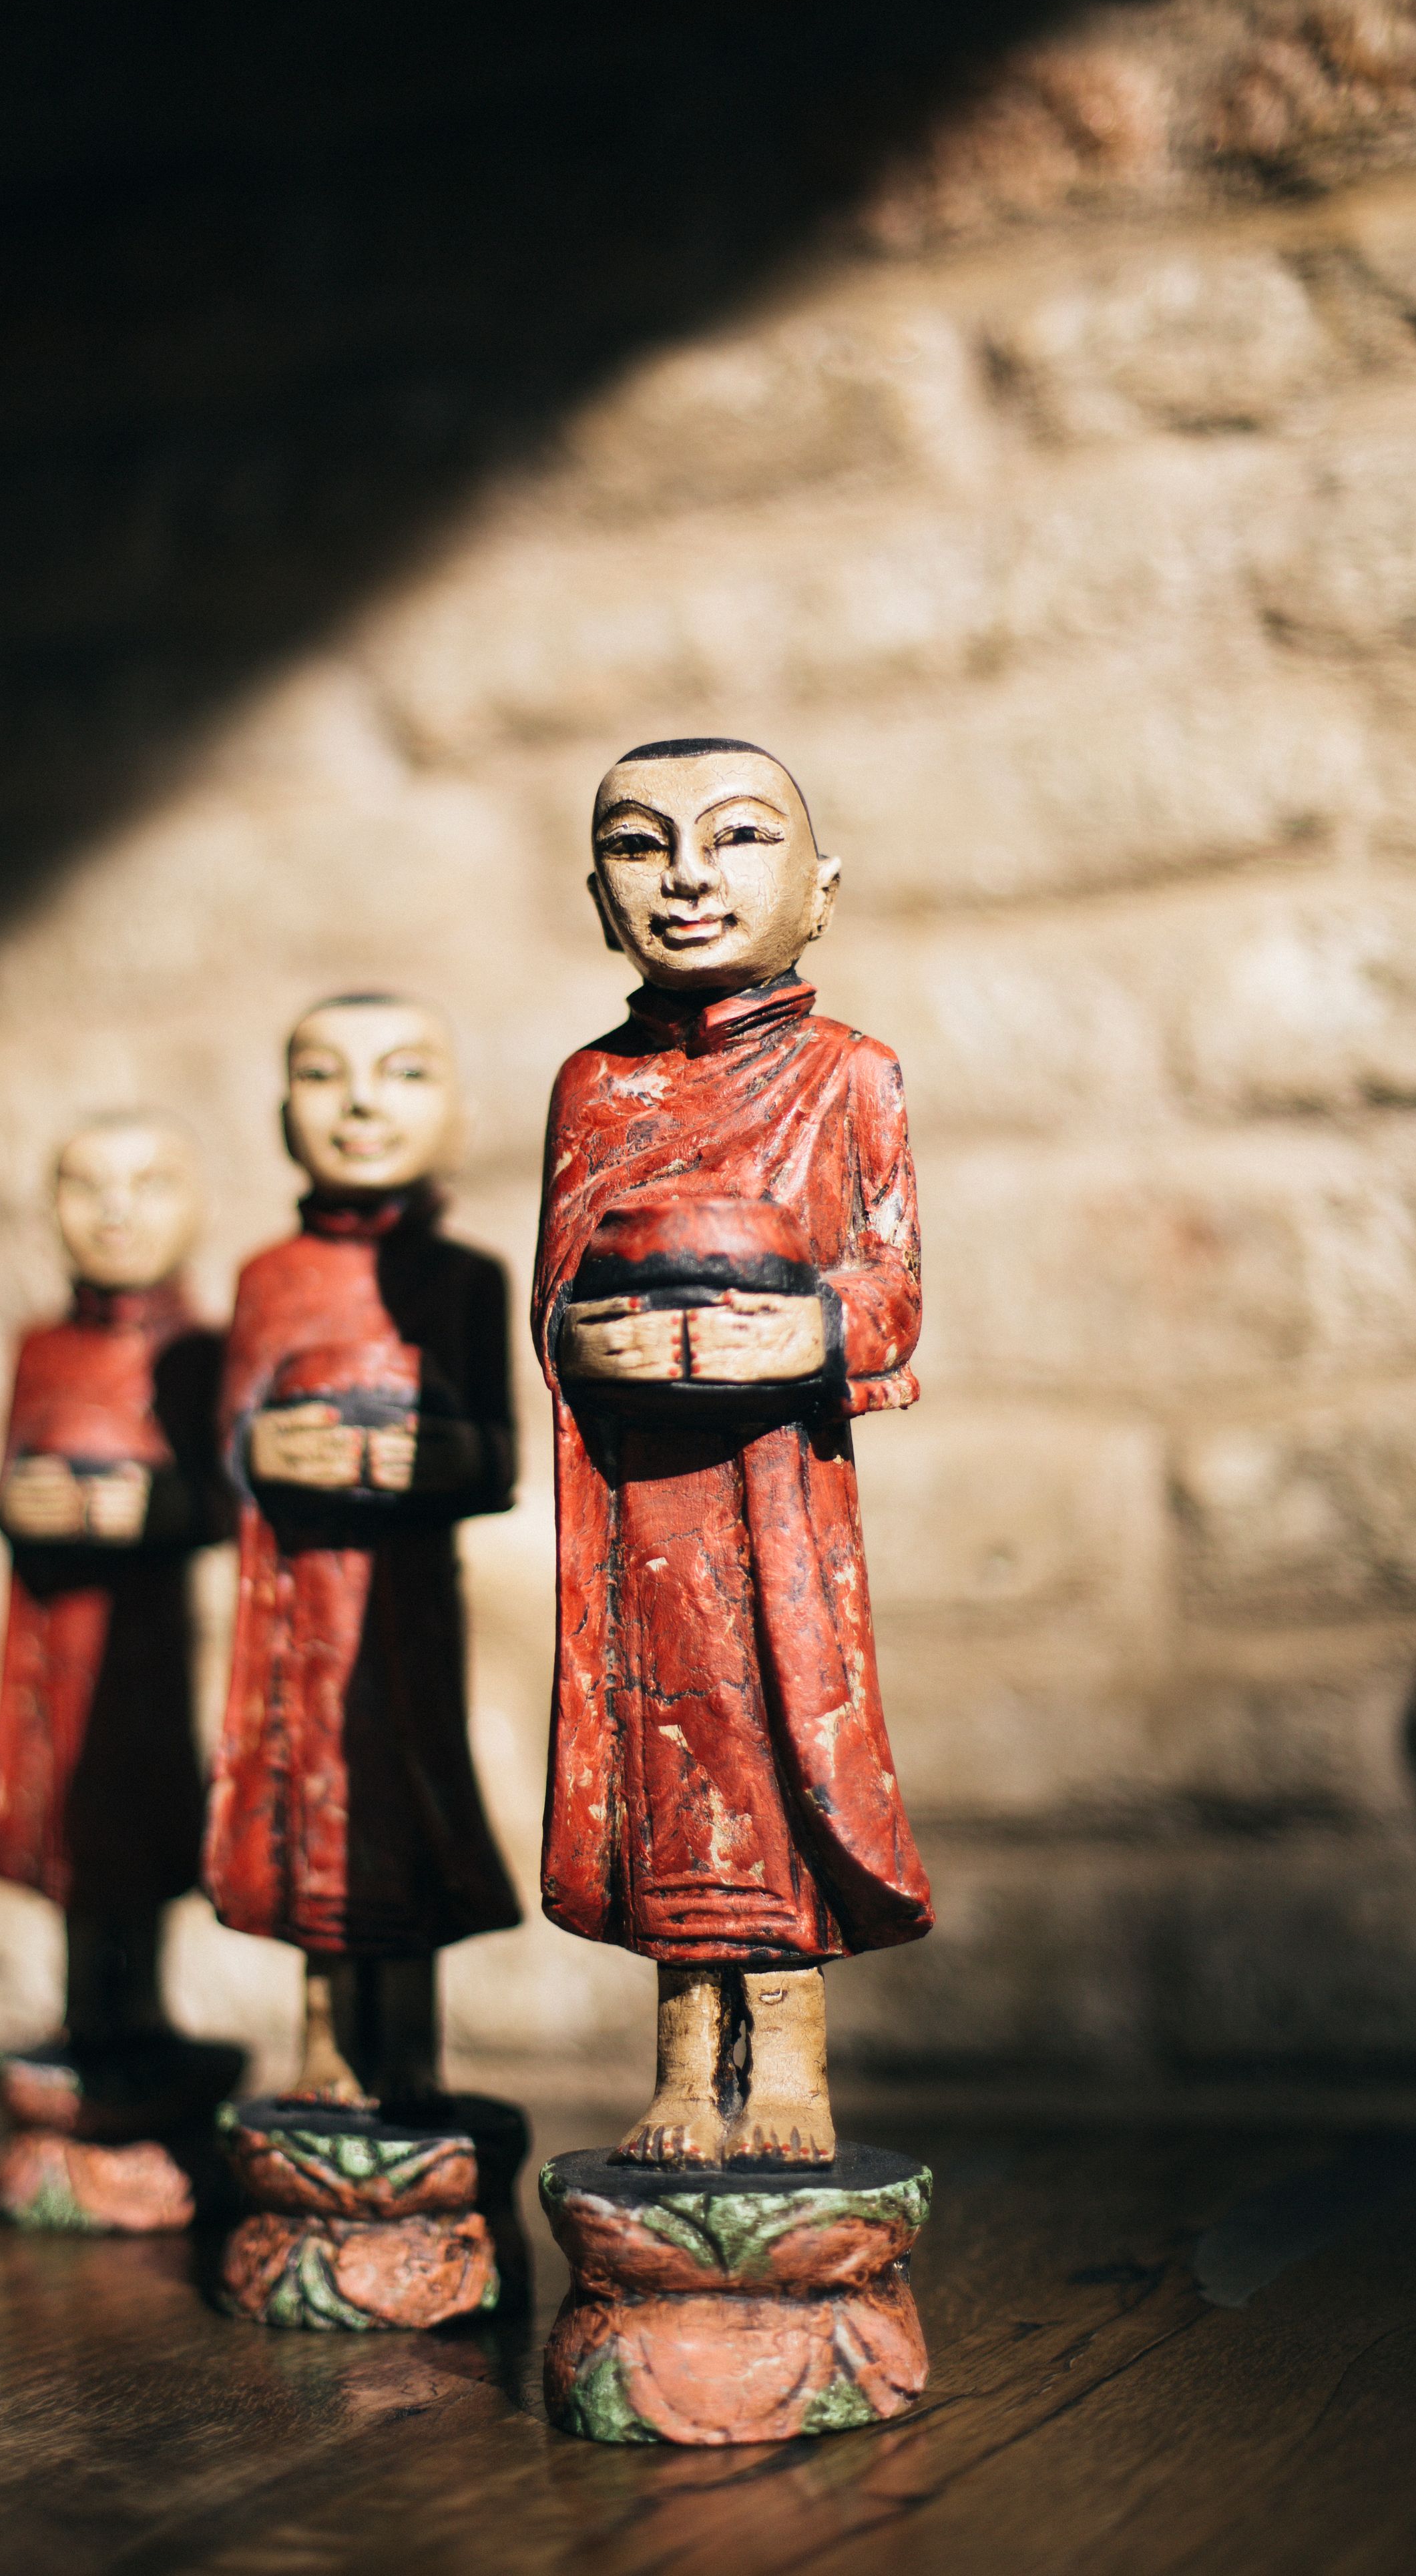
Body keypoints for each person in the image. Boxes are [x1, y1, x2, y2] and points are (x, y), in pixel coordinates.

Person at [533, 737, 932, 2167]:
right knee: (666, 1766)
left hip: (777, 1509)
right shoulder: (594, 1087)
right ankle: (688, 2074)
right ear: (601, 899)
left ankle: (794, 2074)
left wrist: (802, 1333)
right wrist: (598, 1341)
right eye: (641, 846)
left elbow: (892, 1290)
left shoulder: (849, 1075)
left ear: (820, 892)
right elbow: (555, 1299)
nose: (688, 876)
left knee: (780, 1757)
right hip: (643, 1519)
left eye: (739, 838)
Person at [204, 994, 519, 2107]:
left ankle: (415, 2058)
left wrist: (435, 1457)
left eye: (404, 1072)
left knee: (409, 1803)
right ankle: (325, 2047)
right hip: (300, 1610)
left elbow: (499, 1460)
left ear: (458, 1115)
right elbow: (226, 1447)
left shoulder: (467, 1281)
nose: (362, 1105)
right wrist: (262, 1448)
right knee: (312, 1804)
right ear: (282, 1115)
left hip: (407, 1609)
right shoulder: (267, 1278)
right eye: (325, 1075)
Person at [0, 1113, 222, 2050]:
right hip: (55, 1642)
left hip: (145, 1647)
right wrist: (24, 1503)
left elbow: (228, 1501)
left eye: (148, 1185)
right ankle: (87, 2016)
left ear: (195, 1206)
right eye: (86, 1187)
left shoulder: (199, 1354)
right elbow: (7, 1480)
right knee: (68, 1824)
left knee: (141, 1815)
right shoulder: (40, 1348)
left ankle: (146, 2012)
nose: (114, 1212)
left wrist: (157, 1512)